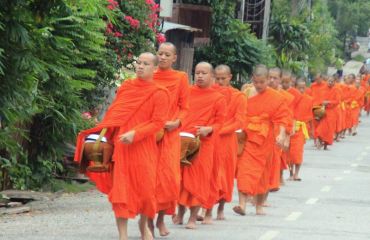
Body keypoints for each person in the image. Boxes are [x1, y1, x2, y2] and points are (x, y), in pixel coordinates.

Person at [74, 52, 170, 240]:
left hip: (144, 149)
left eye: (146, 64)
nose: (140, 66)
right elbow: (114, 114)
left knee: (146, 192)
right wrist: (104, 135)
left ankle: (144, 228)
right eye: (139, 63)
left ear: (154, 68)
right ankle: (123, 236)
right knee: (121, 192)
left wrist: (136, 134)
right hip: (121, 147)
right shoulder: (126, 87)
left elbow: (158, 123)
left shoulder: (160, 92)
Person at [173, 62, 226, 229]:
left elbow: (220, 123)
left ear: (212, 76)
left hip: (204, 143)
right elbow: (177, 111)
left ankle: (193, 218)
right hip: (183, 140)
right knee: (180, 178)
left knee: (199, 180)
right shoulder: (187, 92)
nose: (200, 76)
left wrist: (208, 129)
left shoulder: (218, 98)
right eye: (197, 73)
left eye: (204, 73)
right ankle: (180, 212)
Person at [234, 65, 289, 216]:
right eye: (256, 82)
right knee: (245, 170)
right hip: (247, 137)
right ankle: (242, 204)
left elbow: (283, 117)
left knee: (263, 173)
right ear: (253, 79)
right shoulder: (246, 93)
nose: (259, 85)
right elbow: (238, 111)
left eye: (262, 82)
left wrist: (282, 134)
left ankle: (259, 205)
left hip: (265, 139)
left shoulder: (276, 97)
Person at [150, 42, 190, 237]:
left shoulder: (180, 78)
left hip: (170, 134)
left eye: (167, 54)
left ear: (174, 58)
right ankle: (148, 221)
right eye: (160, 53)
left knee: (169, 179)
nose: (163, 57)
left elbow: (185, 107)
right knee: (149, 179)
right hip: (149, 134)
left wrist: (177, 122)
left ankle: (160, 220)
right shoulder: (150, 75)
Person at [201, 64, 247, 223]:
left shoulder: (238, 96)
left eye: (223, 78)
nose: (220, 81)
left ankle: (220, 208)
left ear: (230, 77)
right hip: (209, 139)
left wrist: (219, 130)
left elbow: (239, 121)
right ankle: (207, 210)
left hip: (227, 141)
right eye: (218, 78)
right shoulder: (208, 93)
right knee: (209, 175)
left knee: (225, 176)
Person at [267, 68, 293, 190]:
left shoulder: (286, 97)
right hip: (260, 131)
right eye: (270, 77)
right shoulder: (257, 92)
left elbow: (288, 117)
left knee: (274, 159)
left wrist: (286, 137)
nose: (271, 80)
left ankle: (270, 185)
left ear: (280, 79)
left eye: (275, 78)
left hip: (278, 132)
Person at [291, 78, 313, 180]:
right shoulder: (291, 98)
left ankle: (297, 173)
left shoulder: (309, 99)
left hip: (301, 129)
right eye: (299, 88)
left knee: (298, 152)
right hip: (291, 128)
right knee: (289, 153)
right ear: (295, 88)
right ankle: (291, 173)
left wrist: (310, 129)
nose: (301, 90)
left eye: (303, 88)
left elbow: (310, 116)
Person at [315, 76, 340, 150]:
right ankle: (319, 140)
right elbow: (318, 99)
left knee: (329, 129)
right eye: (329, 81)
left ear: (334, 82)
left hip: (331, 112)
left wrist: (329, 102)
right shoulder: (322, 89)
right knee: (321, 128)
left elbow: (337, 101)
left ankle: (325, 145)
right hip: (323, 111)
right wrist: (322, 103)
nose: (330, 83)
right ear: (327, 81)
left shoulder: (336, 90)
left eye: (332, 81)